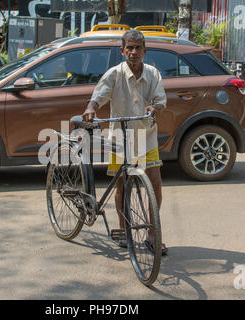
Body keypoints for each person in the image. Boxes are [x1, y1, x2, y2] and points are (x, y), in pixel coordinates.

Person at [82, 30, 168, 256]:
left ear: (144, 51)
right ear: (122, 51)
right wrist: (91, 108)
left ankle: (152, 234)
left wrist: (154, 107)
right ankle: (123, 229)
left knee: (155, 183)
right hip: (120, 137)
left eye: (138, 47)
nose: (133, 52)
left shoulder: (153, 74)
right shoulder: (114, 74)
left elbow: (160, 101)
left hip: (146, 135)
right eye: (129, 48)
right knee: (123, 186)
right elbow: (98, 95)